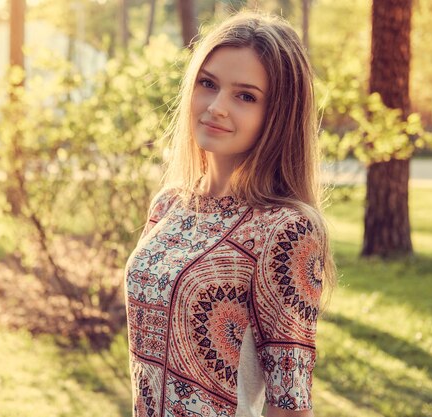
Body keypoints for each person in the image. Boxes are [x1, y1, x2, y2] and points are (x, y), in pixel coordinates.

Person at [124, 11, 337, 417]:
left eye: (245, 96)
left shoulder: (286, 229)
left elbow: (290, 404)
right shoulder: (169, 205)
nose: (217, 107)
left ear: (278, 116)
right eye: (208, 84)